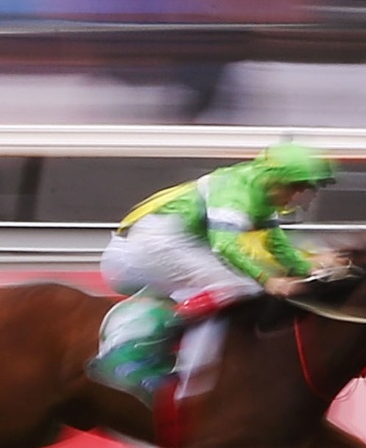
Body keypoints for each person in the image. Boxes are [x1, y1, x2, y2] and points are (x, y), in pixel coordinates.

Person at [91, 141, 340, 402]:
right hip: (152, 243)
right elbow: (224, 245)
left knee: (244, 285)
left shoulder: (258, 191)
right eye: (298, 188)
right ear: (278, 179)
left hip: (170, 240)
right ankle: (147, 355)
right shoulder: (235, 191)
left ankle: (162, 346)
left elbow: (275, 244)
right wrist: (269, 281)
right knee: (239, 286)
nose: (299, 197)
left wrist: (306, 266)